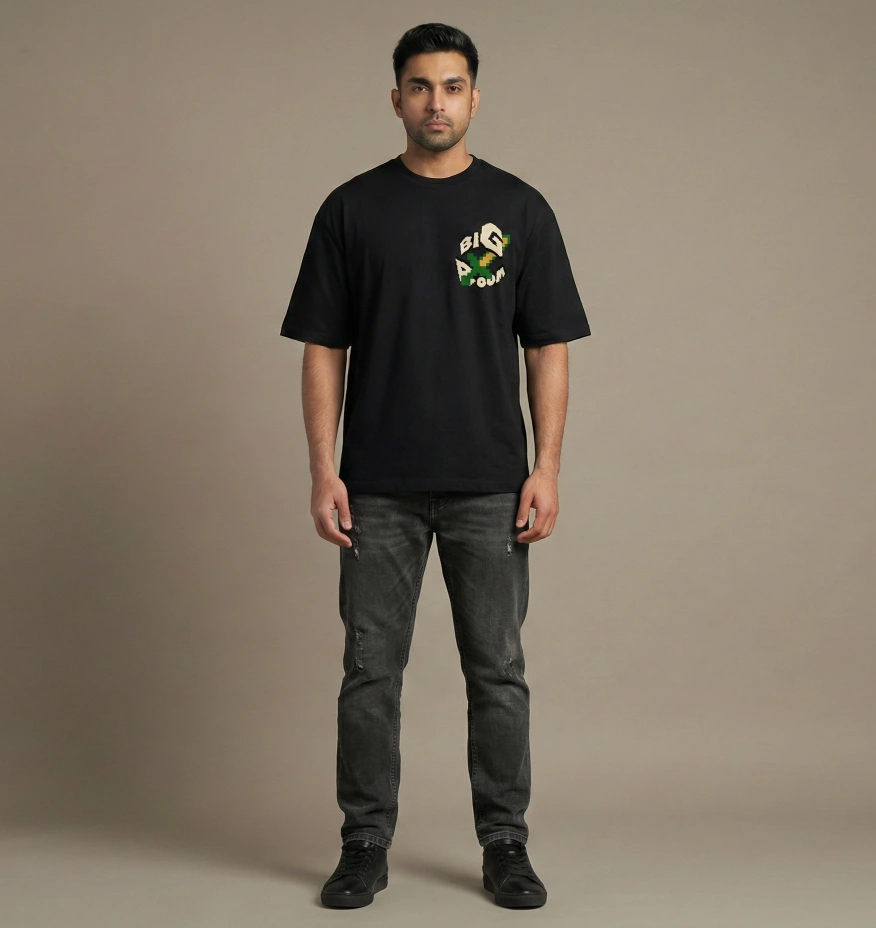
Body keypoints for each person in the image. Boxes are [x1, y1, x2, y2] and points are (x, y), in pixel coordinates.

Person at [279, 22, 590, 910]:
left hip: (491, 484)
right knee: (370, 674)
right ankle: (364, 844)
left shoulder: (520, 209)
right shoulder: (352, 210)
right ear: (396, 99)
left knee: (497, 672)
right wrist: (323, 470)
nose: (436, 102)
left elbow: (549, 347)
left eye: (452, 86)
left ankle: (506, 845)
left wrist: (547, 468)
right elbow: (323, 347)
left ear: (475, 98)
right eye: (420, 86)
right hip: (376, 485)